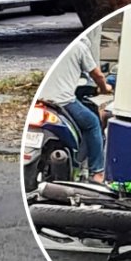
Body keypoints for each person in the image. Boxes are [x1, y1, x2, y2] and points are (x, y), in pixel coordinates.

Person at [39, 36, 113, 183]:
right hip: (62, 101)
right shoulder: (80, 47)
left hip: (40, 99)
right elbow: (97, 74)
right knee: (92, 123)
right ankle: (97, 171)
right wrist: (105, 88)